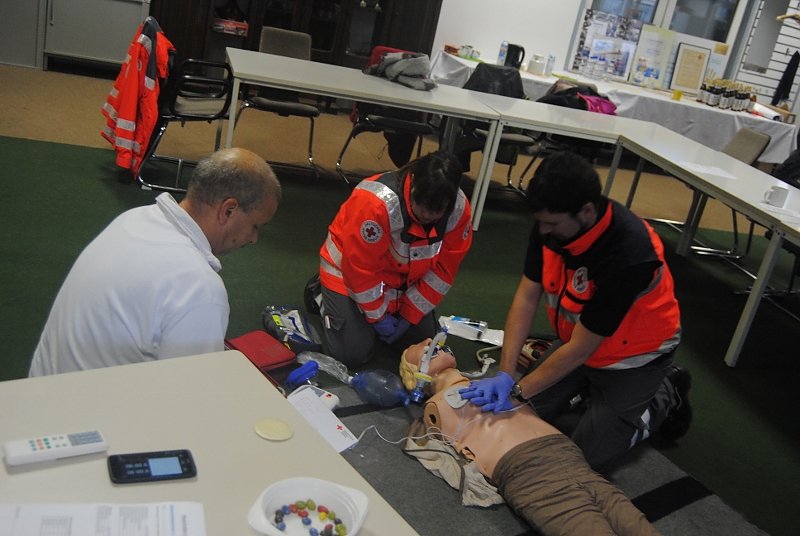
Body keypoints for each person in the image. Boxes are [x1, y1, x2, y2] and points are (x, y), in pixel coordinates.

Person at [460, 151, 691, 471]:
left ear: (586, 211)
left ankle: (665, 392)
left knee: (581, 461)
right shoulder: (551, 224)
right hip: (578, 343)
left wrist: (518, 390)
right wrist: (505, 372)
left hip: (633, 359)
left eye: (552, 223)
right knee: (516, 418)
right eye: (541, 221)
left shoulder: (629, 253)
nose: (542, 231)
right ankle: (585, 394)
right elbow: (527, 297)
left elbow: (582, 349)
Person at [29, 148, 281, 376]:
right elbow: (193, 396)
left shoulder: (133, 219)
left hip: (44, 389)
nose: (254, 239)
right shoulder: (200, 289)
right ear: (228, 210)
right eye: (255, 226)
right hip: (91, 409)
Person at [399, 339, 661, 536]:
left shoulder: (491, 384)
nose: (430, 341)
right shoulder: (435, 408)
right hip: (528, 472)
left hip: (567, 453)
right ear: (415, 373)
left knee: (638, 527)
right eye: (419, 347)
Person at [317, 150, 472, 367]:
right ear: (413, 184)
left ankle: (370, 317)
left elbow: (443, 271)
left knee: (422, 346)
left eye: (436, 211)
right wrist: (378, 317)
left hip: (403, 282)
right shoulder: (376, 204)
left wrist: (410, 314)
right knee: (352, 353)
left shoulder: (459, 210)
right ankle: (321, 295)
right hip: (346, 274)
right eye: (422, 206)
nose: (427, 215)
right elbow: (360, 268)